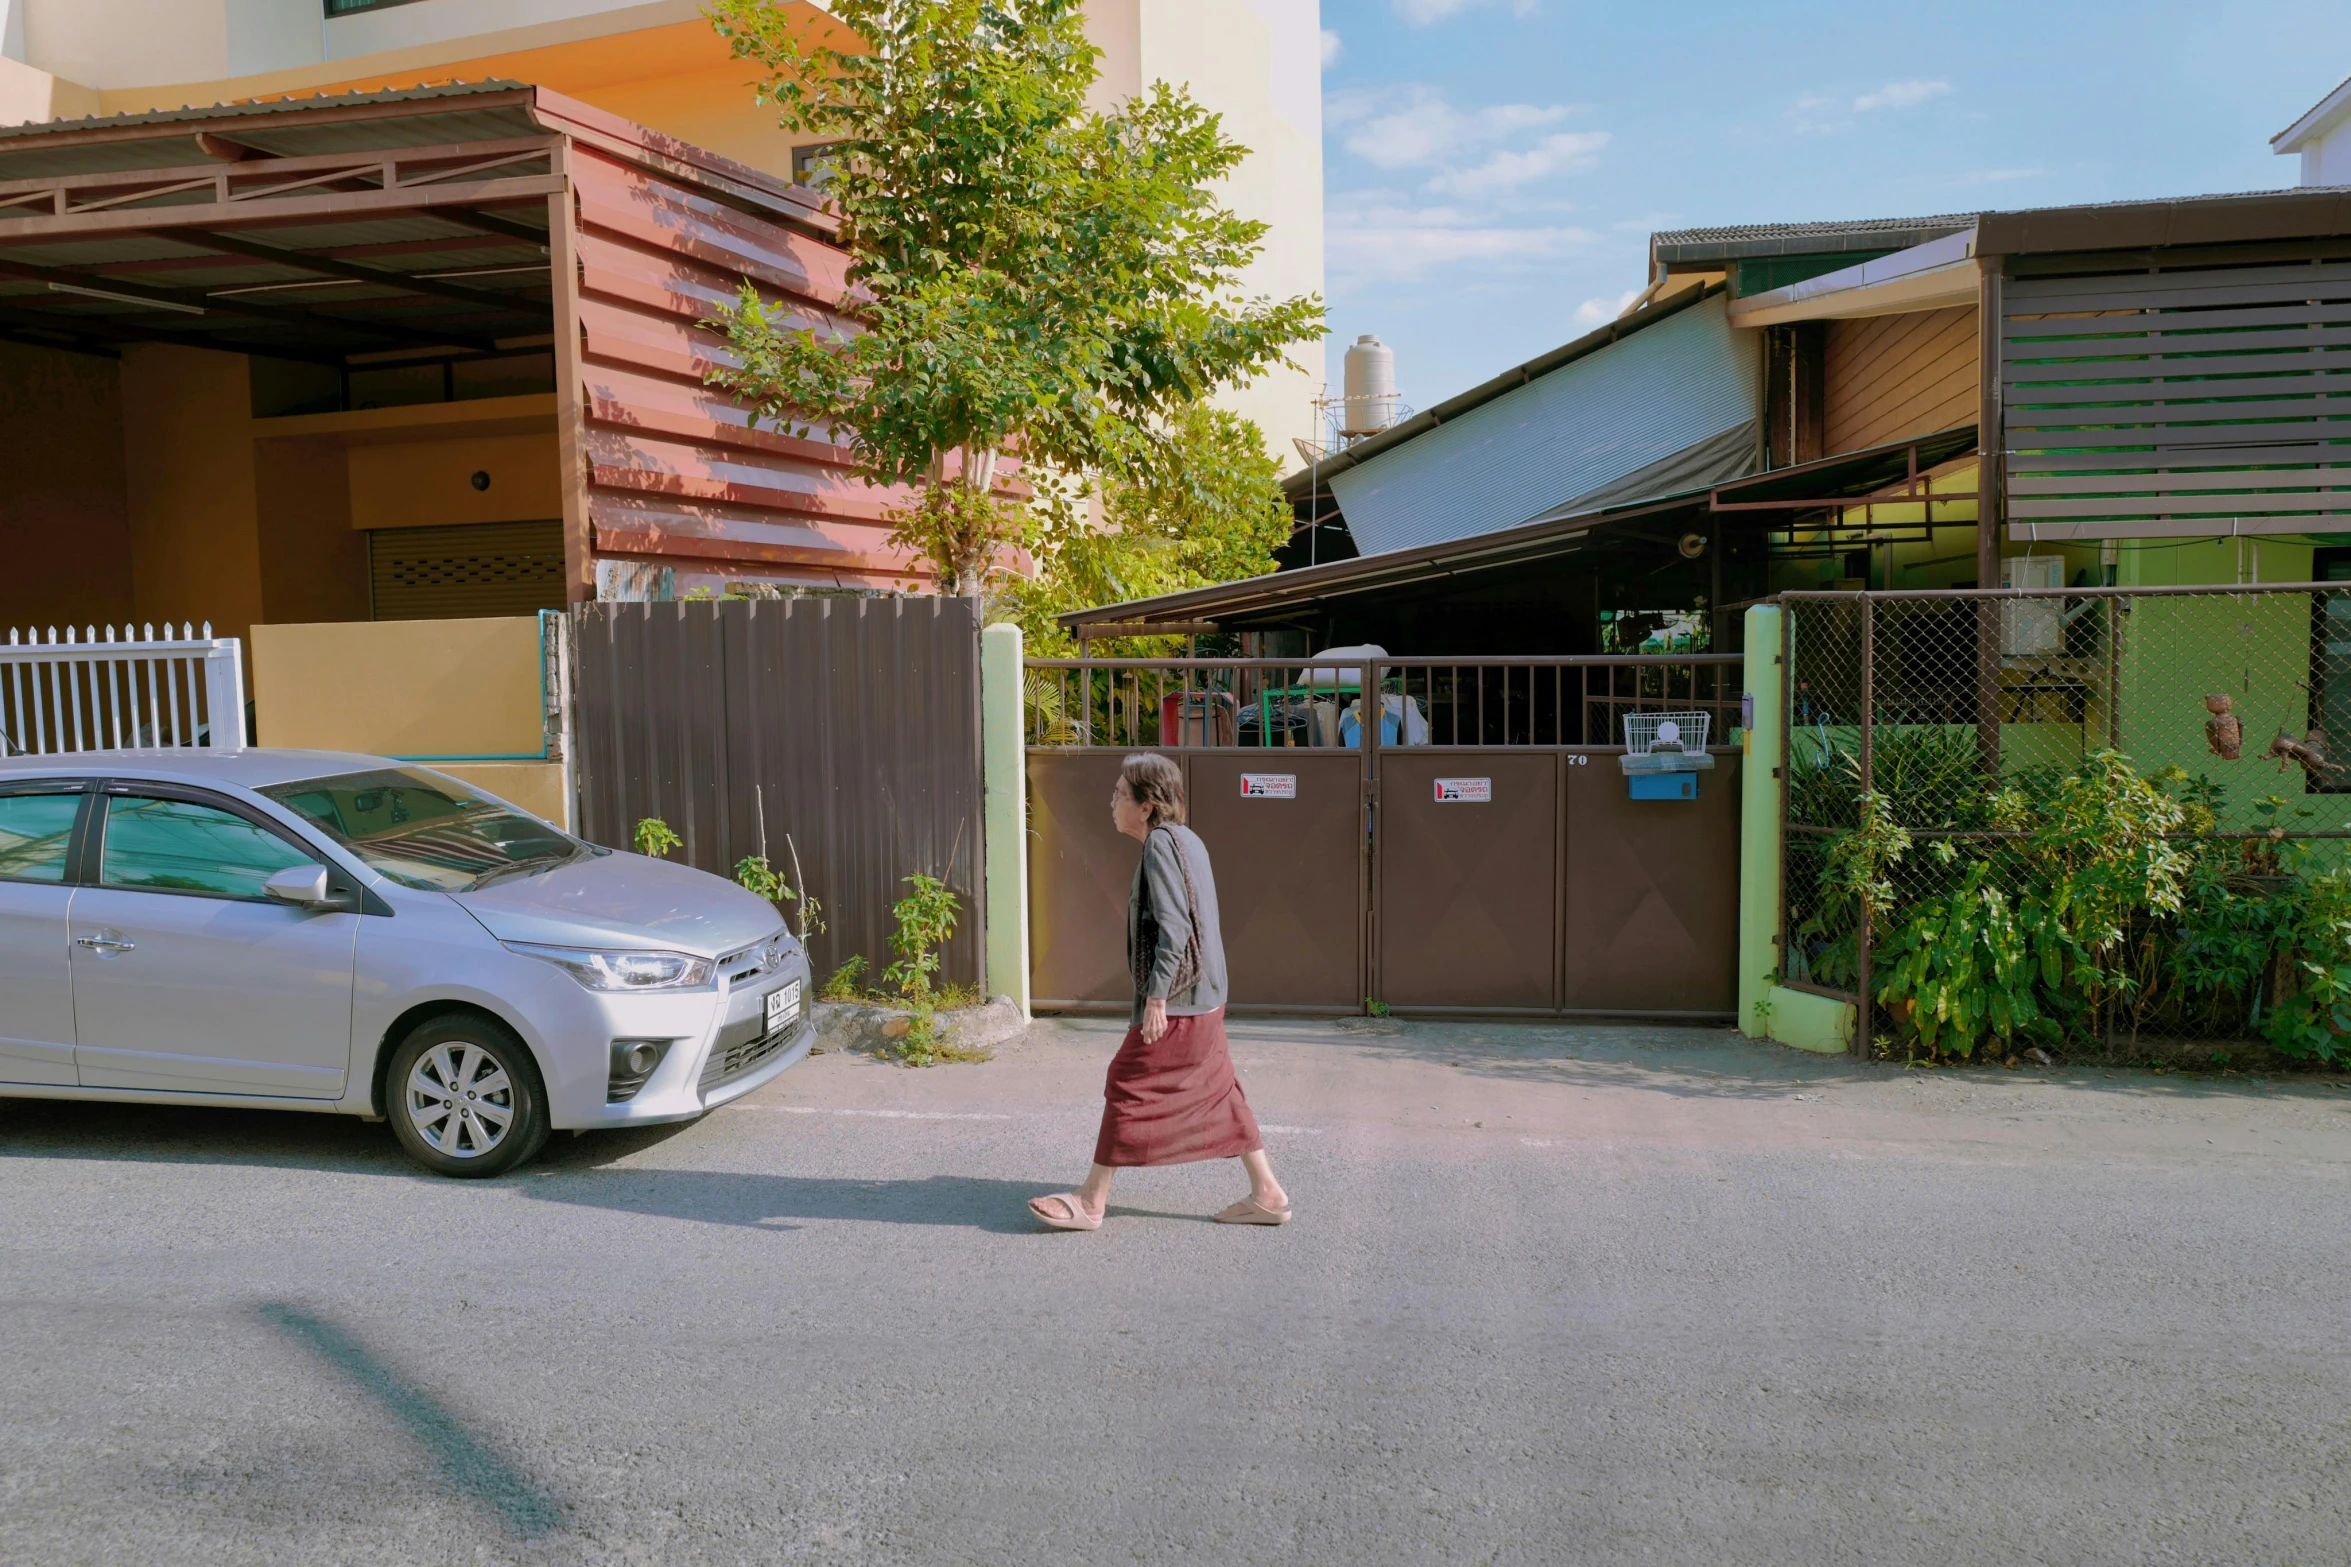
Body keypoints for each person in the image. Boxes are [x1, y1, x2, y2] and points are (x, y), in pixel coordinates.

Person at [1029, 753, 1291, 1231]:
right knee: (1219, 1088)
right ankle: (1268, 1192)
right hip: (1207, 995)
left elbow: (1175, 927)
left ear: (1146, 806)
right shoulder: (1187, 840)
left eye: (1118, 795)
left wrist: (1156, 1000)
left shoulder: (1159, 846)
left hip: (1182, 1000)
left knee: (1128, 1079)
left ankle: (1091, 1200)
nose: (1111, 802)